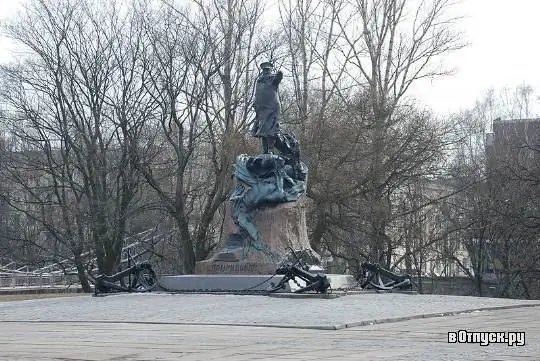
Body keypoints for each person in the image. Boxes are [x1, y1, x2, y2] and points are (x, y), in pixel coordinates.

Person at [251, 61, 283, 153]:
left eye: (267, 69)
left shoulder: (272, 78)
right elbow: (257, 94)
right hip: (262, 109)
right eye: (264, 69)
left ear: (270, 70)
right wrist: (255, 103)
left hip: (272, 108)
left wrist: (280, 75)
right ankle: (265, 150)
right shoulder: (259, 81)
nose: (265, 71)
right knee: (262, 130)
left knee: (271, 129)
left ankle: (270, 149)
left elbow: (278, 79)